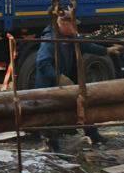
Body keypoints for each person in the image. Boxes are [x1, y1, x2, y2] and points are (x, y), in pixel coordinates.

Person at [33, 10, 104, 151]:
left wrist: (107, 51)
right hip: (48, 86)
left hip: (62, 85)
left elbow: (86, 45)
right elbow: (43, 63)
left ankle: (93, 134)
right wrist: (59, 78)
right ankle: (51, 144)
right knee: (51, 115)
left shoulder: (69, 38)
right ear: (62, 24)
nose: (75, 28)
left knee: (82, 103)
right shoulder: (50, 40)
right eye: (72, 24)